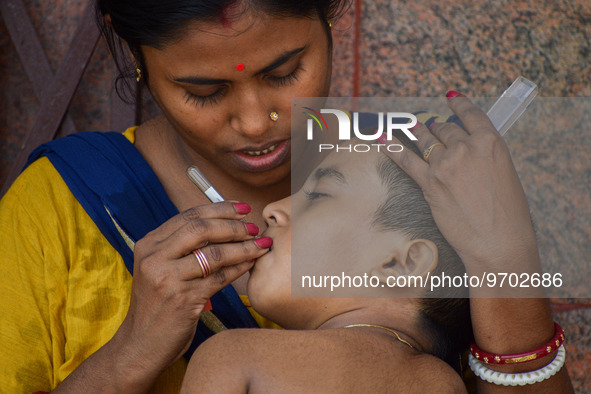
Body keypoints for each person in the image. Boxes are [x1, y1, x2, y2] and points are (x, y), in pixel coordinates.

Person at [0, 0, 573, 392]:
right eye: (204, 90)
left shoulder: (435, 173)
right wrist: (129, 356)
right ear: (137, 59)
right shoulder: (58, 208)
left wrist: (506, 265)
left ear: (328, 23)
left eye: (284, 72)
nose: (255, 123)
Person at [180, 138, 475, 392]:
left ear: (402, 263)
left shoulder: (234, 358)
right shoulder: (447, 385)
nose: (272, 210)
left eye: (319, 194)